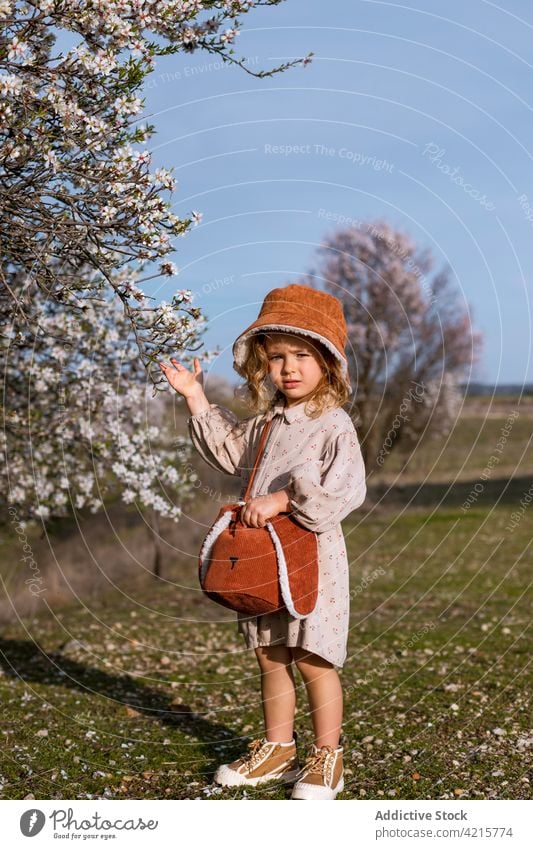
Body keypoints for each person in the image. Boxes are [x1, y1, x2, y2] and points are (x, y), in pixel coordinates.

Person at [158, 283, 367, 800]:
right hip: (263, 558)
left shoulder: (332, 424)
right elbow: (230, 452)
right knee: (271, 654)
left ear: (328, 364)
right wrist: (195, 396)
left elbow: (346, 489)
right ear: (262, 365)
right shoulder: (266, 423)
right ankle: (278, 750)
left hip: (312, 558)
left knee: (313, 655)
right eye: (276, 358)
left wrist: (284, 499)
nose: (288, 368)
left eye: (301, 356)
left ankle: (327, 759)